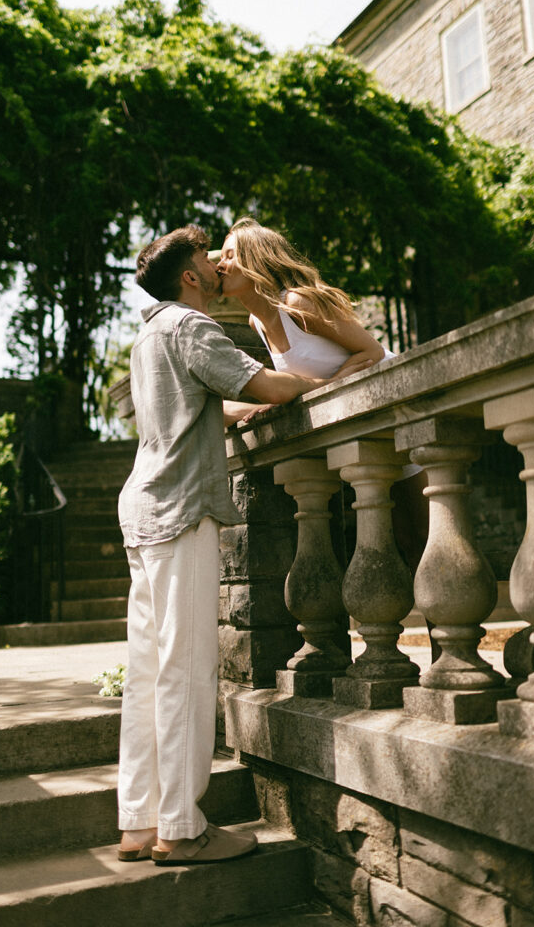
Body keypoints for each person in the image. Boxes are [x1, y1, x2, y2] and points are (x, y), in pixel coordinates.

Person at [116, 224, 373, 866]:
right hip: (179, 509)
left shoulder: (149, 336)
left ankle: (139, 825)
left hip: (143, 506)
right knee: (186, 669)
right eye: (206, 258)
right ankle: (181, 829)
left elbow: (203, 405)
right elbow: (272, 387)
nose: (214, 265)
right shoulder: (190, 327)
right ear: (190, 277)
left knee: (147, 673)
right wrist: (316, 389)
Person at [216, 217, 429, 574]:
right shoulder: (258, 324)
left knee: (419, 538)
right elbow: (302, 378)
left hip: (399, 407)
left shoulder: (297, 304)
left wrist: (319, 391)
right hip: (362, 420)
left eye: (230, 255)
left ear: (257, 259)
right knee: (403, 542)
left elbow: (372, 354)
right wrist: (274, 404)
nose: (220, 264)